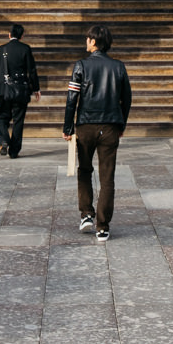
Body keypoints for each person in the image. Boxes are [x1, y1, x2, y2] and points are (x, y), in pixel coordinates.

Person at [62, 24, 132, 242]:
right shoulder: (119, 67)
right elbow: (127, 98)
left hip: (86, 125)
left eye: (87, 39)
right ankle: (103, 226)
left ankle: (86, 214)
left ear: (93, 41)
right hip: (110, 126)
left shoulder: (81, 65)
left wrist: (68, 126)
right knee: (107, 177)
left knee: (84, 170)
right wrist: (121, 124)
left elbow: (72, 98)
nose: (86, 42)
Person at [0, 21, 41, 158]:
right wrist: (36, 88)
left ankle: (4, 140)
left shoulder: (0, 50)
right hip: (21, 91)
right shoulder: (25, 49)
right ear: (22, 36)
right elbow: (32, 70)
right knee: (18, 120)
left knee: (2, 118)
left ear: (9, 34)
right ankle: (14, 151)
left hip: (4, 90)